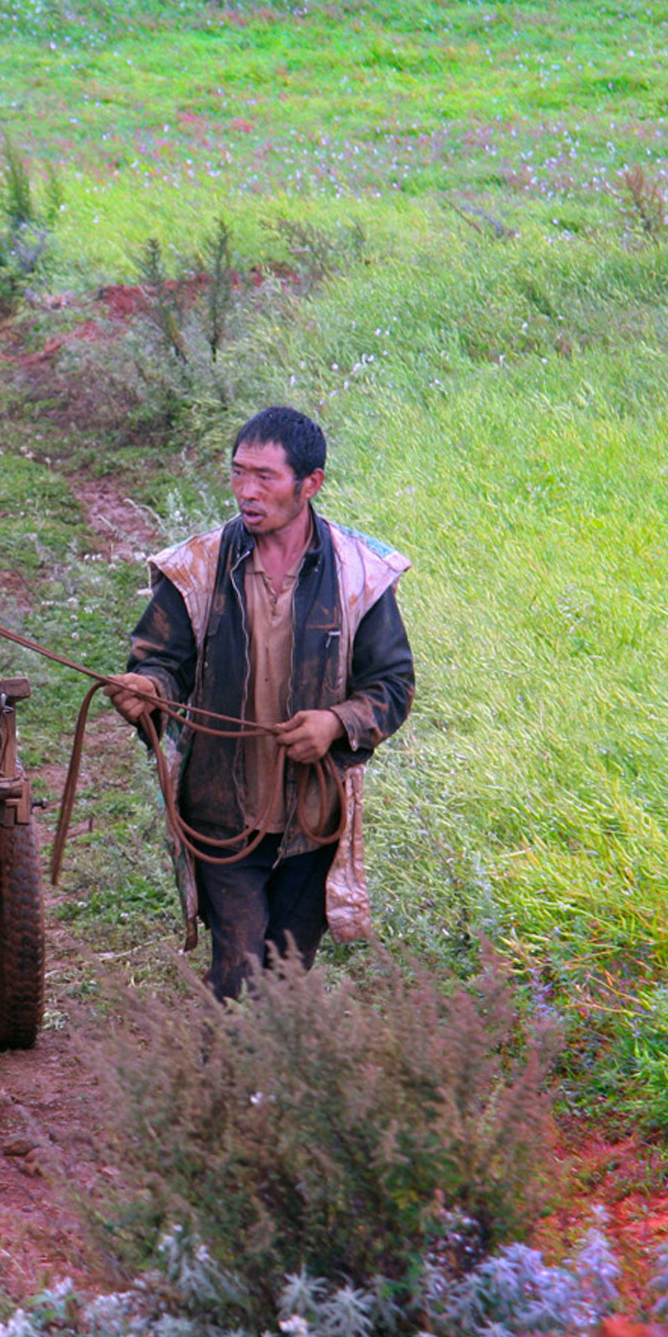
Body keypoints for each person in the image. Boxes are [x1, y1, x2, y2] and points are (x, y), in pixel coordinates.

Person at [104, 406, 414, 999]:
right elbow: (159, 664)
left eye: (265, 477)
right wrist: (148, 691)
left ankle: (263, 1087)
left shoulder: (361, 574)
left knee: (286, 978)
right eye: (238, 473)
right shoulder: (194, 568)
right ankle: (219, 1084)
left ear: (310, 483)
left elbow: (392, 686)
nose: (247, 491)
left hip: (313, 817)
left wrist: (335, 722)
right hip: (221, 810)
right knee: (238, 970)